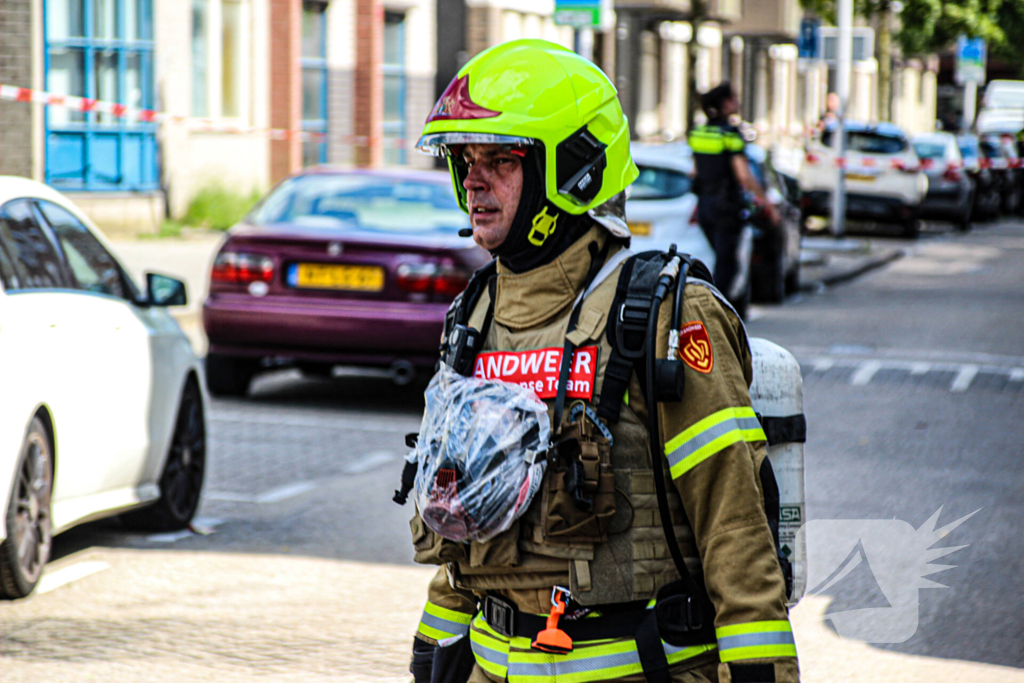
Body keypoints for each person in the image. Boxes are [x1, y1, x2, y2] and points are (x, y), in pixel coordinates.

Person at [406, 40, 799, 683]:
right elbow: (465, 538)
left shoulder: (667, 317)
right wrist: (433, 653)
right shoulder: (473, 320)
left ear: (576, 168)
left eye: (500, 159)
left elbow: (735, 531)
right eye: (464, 160)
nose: (473, 180)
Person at [688, 82, 778, 316]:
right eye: (734, 98)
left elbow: (694, 172)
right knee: (729, 265)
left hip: (705, 205)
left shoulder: (699, 132)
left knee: (719, 259)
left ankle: (712, 311)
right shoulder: (730, 134)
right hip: (727, 206)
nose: (737, 103)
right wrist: (766, 202)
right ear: (725, 103)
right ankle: (715, 316)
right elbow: (743, 175)